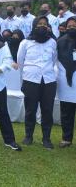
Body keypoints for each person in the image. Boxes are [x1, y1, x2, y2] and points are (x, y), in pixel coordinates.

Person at [17, 16, 57, 149]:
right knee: (30, 110)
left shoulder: (52, 42)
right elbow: (20, 62)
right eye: (39, 24)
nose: (42, 26)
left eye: (44, 24)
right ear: (34, 26)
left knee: (47, 110)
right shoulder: (25, 43)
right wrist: (25, 78)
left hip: (48, 81)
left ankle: (46, 138)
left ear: (48, 26)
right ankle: (28, 136)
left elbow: (54, 59)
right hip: (30, 80)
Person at [57, 16, 76, 148]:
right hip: (66, 81)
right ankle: (66, 138)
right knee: (67, 111)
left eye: (74, 26)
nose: (71, 28)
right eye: (69, 26)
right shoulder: (60, 41)